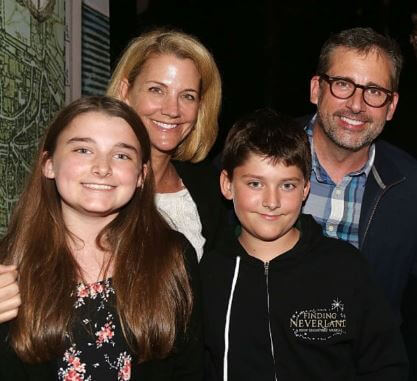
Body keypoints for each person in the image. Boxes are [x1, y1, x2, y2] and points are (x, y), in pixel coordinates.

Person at [0, 96, 203, 380]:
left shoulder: (172, 256)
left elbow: (190, 371)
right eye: (83, 150)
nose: (102, 167)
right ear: (48, 164)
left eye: (122, 155)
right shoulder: (7, 263)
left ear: (141, 175)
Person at [200, 108, 408, 380]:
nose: (271, 201)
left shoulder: (345, 267)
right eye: (255, 183)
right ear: (227, 184)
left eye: (286, 185)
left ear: (305, 189)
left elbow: (387, 365)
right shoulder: (209, 273)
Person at [300, 27, 417, 376]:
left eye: (374, 91)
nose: (356, 104)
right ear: (316, 89)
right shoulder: (256, 161)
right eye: (342, 84)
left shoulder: (409, 188)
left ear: (391, 106)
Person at [107, 28, 225, 262]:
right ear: (125, 92)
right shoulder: (94, 179)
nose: (172, 110)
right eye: (157, 90)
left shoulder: (207, 187)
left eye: (187, 96)